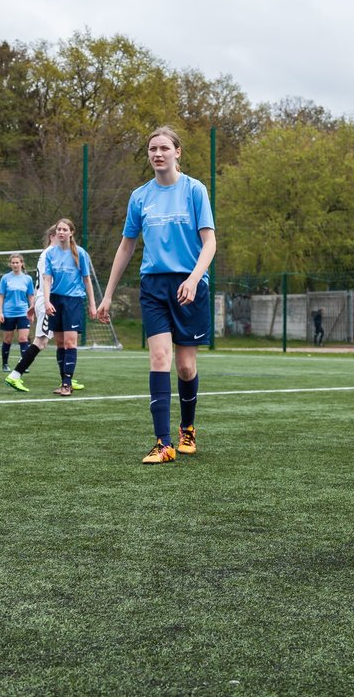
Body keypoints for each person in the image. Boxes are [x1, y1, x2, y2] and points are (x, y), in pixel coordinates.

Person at [98, 127, 216, 464]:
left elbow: (210, 242)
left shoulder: (195, 190)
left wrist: (194, 278)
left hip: (189, 285)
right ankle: (163, 444)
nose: (158, 153)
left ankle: (187, 429)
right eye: (152, 149)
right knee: (160, 358)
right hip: (153, 287)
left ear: (178, 152)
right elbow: (126, 246)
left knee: (185, 366)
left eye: (165, 147)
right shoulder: (139, 196)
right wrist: (107, 294)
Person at [5, 227, 85, 392]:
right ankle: (15, 375)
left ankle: (66, 378)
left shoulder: (56, 254)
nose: (62, 237)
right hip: (48, 301)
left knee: (61, 342)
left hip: (49, 300)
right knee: (41, 342)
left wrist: (34, 304)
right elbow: (45, 281)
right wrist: (40, 303)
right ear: (52, 236)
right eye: (58, 234)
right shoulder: (49, 254)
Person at [42, 218, 97, 396]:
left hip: (73, 301)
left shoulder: (80, 253)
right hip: (55, 301)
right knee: (59, 343)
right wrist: (47, 300)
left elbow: (87, 280)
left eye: (65, 229)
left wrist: (92, 304)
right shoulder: (50, 254)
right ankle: (64, 382)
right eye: (59, 229)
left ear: (71, 232)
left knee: (69, 342)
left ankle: (67, 384)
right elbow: (47, 279)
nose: (61, 232)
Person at [0, 253, 35, 371]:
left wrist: (32, 310)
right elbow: (1, 296)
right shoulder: (5, 278)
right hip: (8, 313)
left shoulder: (28, 279)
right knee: (7, 339)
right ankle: (5, 364)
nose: (15, 264)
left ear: (21, 263)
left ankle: (23, 366)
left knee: (23, 339)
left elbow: (31, 296)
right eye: (13, 263)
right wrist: (0, 312)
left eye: (17, 262)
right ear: (10, 264)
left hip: (23, 313)